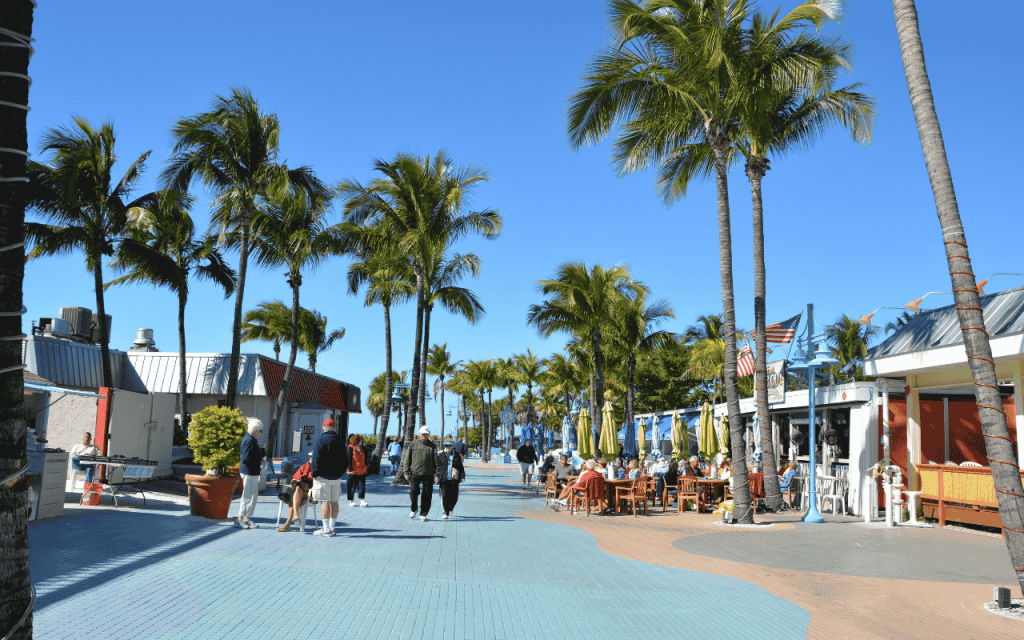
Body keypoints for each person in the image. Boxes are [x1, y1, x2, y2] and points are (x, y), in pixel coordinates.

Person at [311, 418, 346, 537]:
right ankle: (332, 527)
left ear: (324, 427)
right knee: (334, 502)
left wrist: (315, 473)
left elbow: (316, 458)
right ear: (334, 427)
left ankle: (326, 529)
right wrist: (340, 473)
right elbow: (345, 460)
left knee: (324, 502)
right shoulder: (340, 441)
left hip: (322, 476)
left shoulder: (321, 440)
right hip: (336, 477)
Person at [234, 418, 265, 529]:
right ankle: (239, 518)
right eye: (260, 431)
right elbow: (246, 458)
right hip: (249, 472)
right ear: (256, 429)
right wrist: (259, 461)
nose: (260, 434)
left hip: (252, 471)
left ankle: (246, 518)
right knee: (247, 496)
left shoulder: (250, 439)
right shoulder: (249, 440)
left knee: (252, 496)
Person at [277, 453, 314, 532]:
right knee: (297, 487)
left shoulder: (318, 468)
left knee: (296, 490)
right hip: (299, 490)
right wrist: (308, 466)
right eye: (310, 456)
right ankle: (294, 516)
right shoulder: (304, 466)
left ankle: (289, 522)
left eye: (313, 457)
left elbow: (313, 480)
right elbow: (296, 477)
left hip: (309, 493)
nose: (311, 458)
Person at [409, 426, 437, 521]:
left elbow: (436, 461)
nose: (424, 436)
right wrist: (405, 472)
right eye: (422, 434)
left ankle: (423, 514)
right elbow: (407, 458)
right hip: (415, 472)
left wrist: (437, 474)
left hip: (428, 474)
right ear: (419, 434)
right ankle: (414, 509)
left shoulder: (432, 446)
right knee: (413, 491)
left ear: (428, 435)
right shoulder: (413, 444)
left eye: (426, 434)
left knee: (427, 494)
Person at [435, 440, 465, 519]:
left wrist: (462, 476)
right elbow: (437, 467)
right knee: (444, 496)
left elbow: (460, 467)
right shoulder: (440, 455)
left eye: (449, 446)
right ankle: (446, 512)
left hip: (454, 479)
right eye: (446, 446)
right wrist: (436, 476)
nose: (447, 447)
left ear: (452, 447)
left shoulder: (456, 455)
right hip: (444, 479)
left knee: (454, 496)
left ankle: (451, 508)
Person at [347, 434, 369, 507]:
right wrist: (350, 469)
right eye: (360, 440)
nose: (361, 441)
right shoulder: (350, 448)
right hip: (353, 471)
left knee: (362, 486)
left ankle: (362, 500)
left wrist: (366, 466)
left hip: (362, 470)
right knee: (352, 486)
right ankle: (351, 501)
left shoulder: (362, 448)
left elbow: (365, 458)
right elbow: (348, 459)